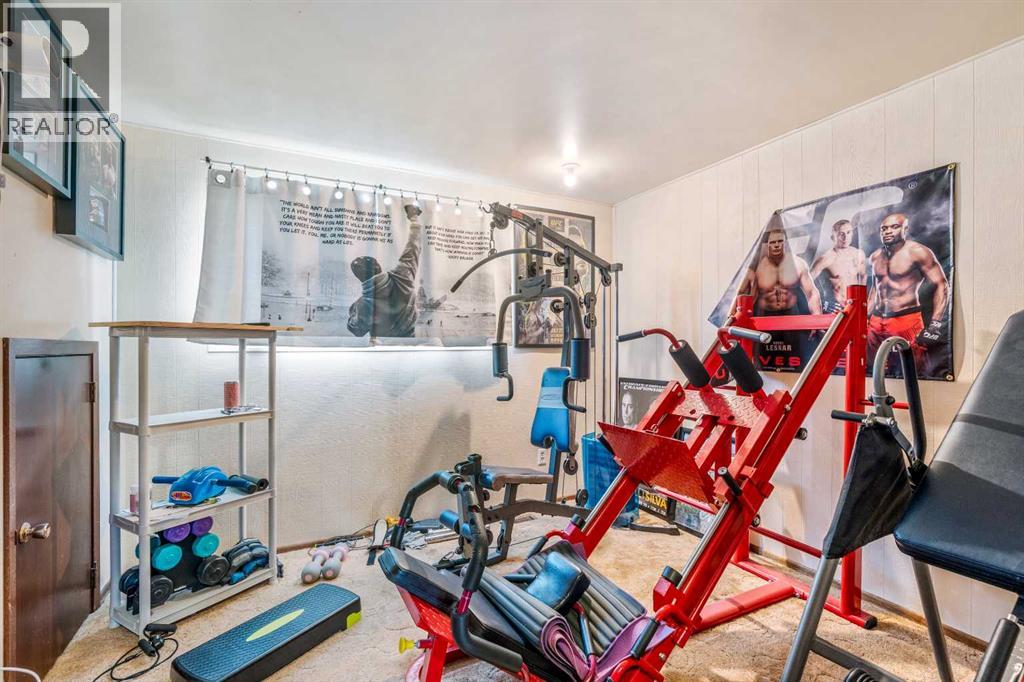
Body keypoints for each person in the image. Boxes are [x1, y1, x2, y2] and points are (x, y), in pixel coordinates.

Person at [866, 213, 949, 367]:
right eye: (884, 228)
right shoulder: (875, 256)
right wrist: (865, 316)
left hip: (905, 319)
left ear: (905, 229)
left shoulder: (918, 252)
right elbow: (876, 288)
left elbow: (941, 285)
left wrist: (935, 324)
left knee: (913, 369)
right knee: (874, 369)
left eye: (894, 227)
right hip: (876, 321)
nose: (888, 231)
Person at [346, 203, 423, 338]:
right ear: (378, 266)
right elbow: (414, 245)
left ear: (360, 277)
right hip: (409, 342)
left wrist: (353, 309)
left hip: (381, 347)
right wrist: (414, 218)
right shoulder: (403, 276)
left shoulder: (363, 304)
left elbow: (356, 330)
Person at [735, 216, 823, 317]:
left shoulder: (798, 264)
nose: (776, 245)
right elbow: (743, 293)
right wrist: (735, 316)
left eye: (780, 241)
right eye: (773, 242)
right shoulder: (758, 267)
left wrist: (817, 317)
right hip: (765, 315)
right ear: (768, 245)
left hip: (791, 314)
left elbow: (812, 293)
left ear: (785, 243)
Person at [810, 219, 866, 311]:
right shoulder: (826, 258)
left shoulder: (859, 254)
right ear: (833, 237)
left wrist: (862, 299)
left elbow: (863, 276)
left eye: (848, 232)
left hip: (855, 306)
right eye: (841, 234)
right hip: (835, 309)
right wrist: (823, 302)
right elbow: (807, 283)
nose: (845, 237)